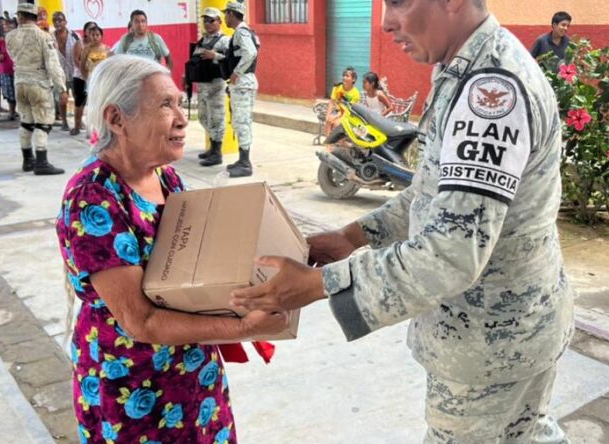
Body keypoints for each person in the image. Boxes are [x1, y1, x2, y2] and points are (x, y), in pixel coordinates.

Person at [230, 1, 574, 442]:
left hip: (490, 344)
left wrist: (319, 284)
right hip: (514, 333)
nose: (386, 22)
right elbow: (432, 194)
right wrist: (352, 236)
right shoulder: (462, 69)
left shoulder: (490, 91)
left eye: (398, 2)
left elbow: (449, 252)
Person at [56, 54, 287, 444]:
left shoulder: (166, 177)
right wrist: (243, 326)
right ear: (116, 119)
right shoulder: (93, 198)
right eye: (166, 105)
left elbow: (194, 266)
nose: (182, 118)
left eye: (180, 102)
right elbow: (141, 321)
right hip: (133, 386)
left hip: (192, 373)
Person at [6, 3, 66, 175]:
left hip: (19, 82)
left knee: (26, 121)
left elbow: (12, 57)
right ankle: (41, 161)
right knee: (43, 123)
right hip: (39, 83)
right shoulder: (44, 37)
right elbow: (52, 64)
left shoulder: (10, 36)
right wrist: (61, 87)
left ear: (21, 16)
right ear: (35, 17)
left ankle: (27, 159)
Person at [222, 1, 259, 178]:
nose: (224, 18)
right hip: (242, 83)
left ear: (231, 13)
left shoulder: (242, 32)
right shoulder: (243, 32)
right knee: (238, 121)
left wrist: (237, 73)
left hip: (243, 82)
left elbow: (250, 53)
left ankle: (245, 163)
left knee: (242, 122)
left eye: (225, 14)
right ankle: (241, 159)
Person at [191, 7, 231, 167]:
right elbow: (194, 58)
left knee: (217, 117)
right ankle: (212, 146)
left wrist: (215, 55)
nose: (207, 23)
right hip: (203, 83)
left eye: (211, 20)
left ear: (219, 22)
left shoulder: (225, 40)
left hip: (216, 83)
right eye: (205, 20)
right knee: (202, 116)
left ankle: (216, 151)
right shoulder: (203, 40)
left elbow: (232, 59)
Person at [52, 11, 81, 131]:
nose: (57, 22)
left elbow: (81, 53)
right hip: (59, 73)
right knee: (62, 99)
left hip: (74, 72)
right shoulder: (50, 37)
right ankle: (64, 122)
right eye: (55, 20)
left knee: (78, 99)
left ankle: (77, 122)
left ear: (65, 22)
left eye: (60, 20)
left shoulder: (75, 36)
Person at [0, 19, 18, 120]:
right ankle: (12, 111)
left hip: (18, 70)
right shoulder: (1, 42)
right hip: (5, 71)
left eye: (11, 27)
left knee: (19, 92)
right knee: (9, 92)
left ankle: (16, 111)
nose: (8, 29)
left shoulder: (20, 40)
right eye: (6, 27)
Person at [324, 66, 361, 136]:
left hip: (347, 113)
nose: (344, 78)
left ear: (353, 79)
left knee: (336, 124)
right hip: (337, 111)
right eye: (344, 76)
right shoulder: (337, 87)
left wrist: (335, 117)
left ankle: (341, 142)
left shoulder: (356, 93)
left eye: (347, 76)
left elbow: (348, 109)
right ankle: (328, 145)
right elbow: (332, 102)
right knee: (328, 121)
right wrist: (328, 115)